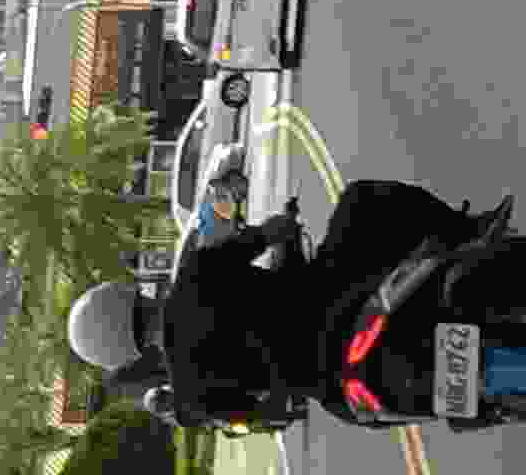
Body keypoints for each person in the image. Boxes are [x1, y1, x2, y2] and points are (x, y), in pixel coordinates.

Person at [69, 170, 486, 425]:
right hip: (334, 300)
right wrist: (284, 224)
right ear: (129, 295)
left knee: (369, 412)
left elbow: (270, 413)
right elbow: (273, 233)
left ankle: (475, 405)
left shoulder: (191, 397)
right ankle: (468, 230)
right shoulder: (196, 271)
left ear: (127, 354)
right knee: (361, 199)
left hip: (333, 383)